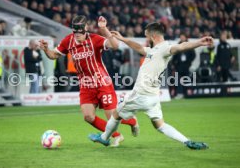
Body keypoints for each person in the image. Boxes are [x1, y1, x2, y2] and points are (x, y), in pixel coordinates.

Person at [89, 22, 213, 150]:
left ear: (153, 35)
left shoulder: (165, 48)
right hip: (153, 97)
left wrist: (199, 42)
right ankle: (188, 142)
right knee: (160, 125)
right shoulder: (154, 50)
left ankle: (104, 138)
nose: (146, 39)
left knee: (116, 114)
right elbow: (139, 48)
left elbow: (181, 46)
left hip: (140, 94)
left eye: (147, 36)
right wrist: (123, 38)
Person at [39, 15, 139, 147]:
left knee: (111, 118)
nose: (77, 34)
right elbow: (53, 55)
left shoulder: (95, 39)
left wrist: (104, 29)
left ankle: (132, 121)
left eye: (80, 31)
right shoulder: (68, 41)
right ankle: (117, 136)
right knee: (88, 117)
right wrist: (46, 49)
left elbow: (115, 45)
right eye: (75, 31)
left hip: (102, 83)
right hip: (86, 85)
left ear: (86, 28)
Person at [171, 33, 196, 98]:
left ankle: (187, 93)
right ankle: (180, 93)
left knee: (187, 80)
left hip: (186, 66)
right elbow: (174, 56)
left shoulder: (189, 45)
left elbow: (193, 55)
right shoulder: (177, 46)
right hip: (179, 66)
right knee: (178, 81)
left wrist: (189, 62)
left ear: (185, 38)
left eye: (183, 37)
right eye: (181, 37)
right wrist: (173, 63)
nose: (182, 38)